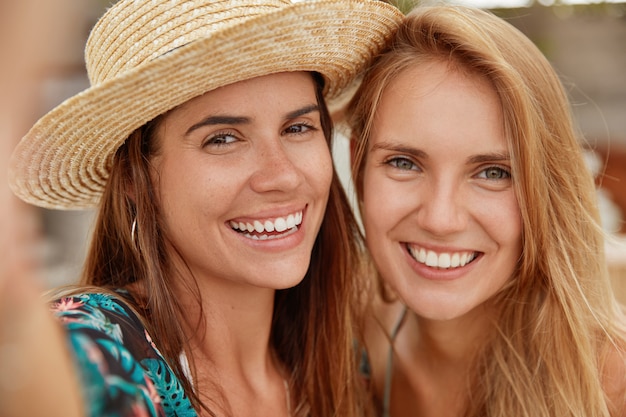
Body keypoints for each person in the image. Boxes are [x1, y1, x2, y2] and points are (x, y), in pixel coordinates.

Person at [3, 0, 403, 416]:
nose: (282, 175)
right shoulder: (102, 349)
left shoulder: (342, 368)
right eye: (223, 138)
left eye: (298, 127)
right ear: (133, 181)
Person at [346, 5, 626, 417]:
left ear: (546, 188)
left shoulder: (610, 383)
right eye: (404, 162)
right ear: (358, 165)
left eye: (493, 172)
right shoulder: (337, 335)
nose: (441, 219)